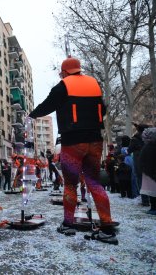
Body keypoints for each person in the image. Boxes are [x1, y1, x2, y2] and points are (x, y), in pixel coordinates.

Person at [29, 57, 116, 241]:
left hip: (72, 142)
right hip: (95, 141)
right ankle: (107, 229)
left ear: (64, 72)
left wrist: (32, 114)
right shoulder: (94, 84)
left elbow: (47, 106)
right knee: (94, 182)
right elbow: (104, 110)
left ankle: (68, 224)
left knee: (70, 184)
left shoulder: (63, 86)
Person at [128, 123, 150, 204]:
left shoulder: (134, 139)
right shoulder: (151, 138)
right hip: (150, 162)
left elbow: (129, 150)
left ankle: (145, 200)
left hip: (139, 161)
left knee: (140, 180)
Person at [139, 127, 156, 215]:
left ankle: (153, 208)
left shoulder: (147, 147)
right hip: (152, 171)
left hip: (149, 172)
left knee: (152, 192)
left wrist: (143, 169)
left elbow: (142, 159)